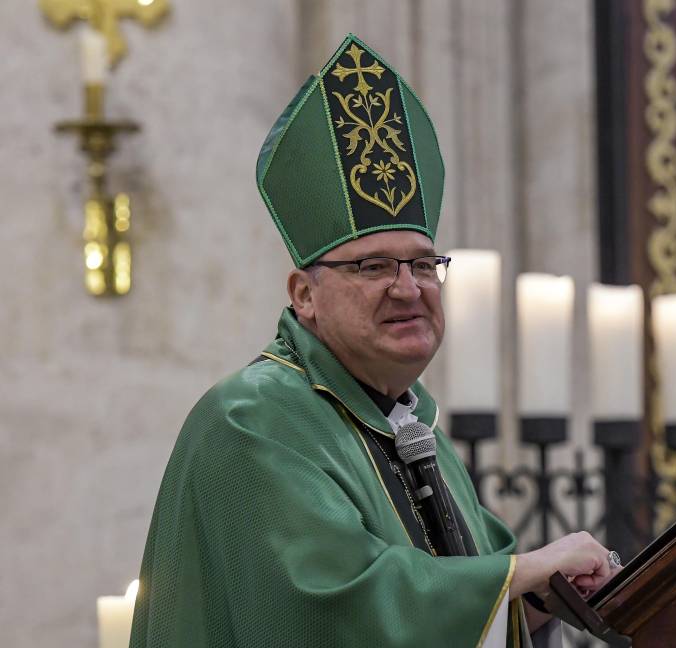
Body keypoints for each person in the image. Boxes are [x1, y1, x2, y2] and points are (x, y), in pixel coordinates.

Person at [130, 34, 619, 648]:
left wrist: (550, 592)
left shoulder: (414, 429)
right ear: (303, 295)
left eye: (422, 264)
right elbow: (333, 612)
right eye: (372, 266)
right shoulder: (254, 418)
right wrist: (521, 571)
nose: (408, 288)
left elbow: (471, 610)